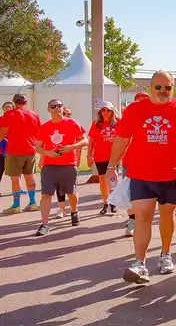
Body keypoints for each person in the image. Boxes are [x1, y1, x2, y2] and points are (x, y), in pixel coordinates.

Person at [108, 71, 176, 284]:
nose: (163, 91)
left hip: (172, 174)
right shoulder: (135, 109)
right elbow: (122, 139)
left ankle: (165, 254)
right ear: (150, 87)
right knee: (142, 217)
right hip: (141, 173)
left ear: (173, 88)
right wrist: (111, 166)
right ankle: (139, 263)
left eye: (167, 87)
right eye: (158, 87)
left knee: (167, 215)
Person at [33, 99, 88, 236]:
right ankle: (44, 224)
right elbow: (38, 146)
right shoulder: (45, 127)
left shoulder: (72, 123)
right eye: (53, 106)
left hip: (68, 164)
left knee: (72, 193)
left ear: (63, 108)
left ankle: (74, 211)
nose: (57, 108)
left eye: (59, 106)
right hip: (49, 165)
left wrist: (72, 147)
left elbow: (85, 140)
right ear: (49, 110)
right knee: (46, 194)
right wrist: (48, 153)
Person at [0, 93, 41, 213]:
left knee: (15, 178)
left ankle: (16, 205)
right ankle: (33, 202)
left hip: (14, 151)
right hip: (30, 150)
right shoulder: (34, 114)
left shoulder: (10, 114)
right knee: (30, 176)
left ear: (14, 102)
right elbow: (39, 132)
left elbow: (3, 132)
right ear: (26, 102)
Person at [121, 91, 150, 236]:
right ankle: (132, 220)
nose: (140, 103)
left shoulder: (155, 120)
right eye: (137, 101)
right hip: (130, 162)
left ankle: (143, 221)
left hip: (151, 163)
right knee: (130, 194)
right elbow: (121, 140)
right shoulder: (129, 117)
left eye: (143, 100)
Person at [88, 102, 120, 214]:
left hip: (114, 156)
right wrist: (89, 156)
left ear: (112, 111)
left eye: (108, 110)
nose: (106, 113)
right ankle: (105, 203)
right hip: (100, 156)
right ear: (100, 112)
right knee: (102, 181)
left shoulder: (118, 123)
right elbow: (91, 141)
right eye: (103, 110)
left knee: (113, 180)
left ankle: (113, 202)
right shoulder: (96, 124)